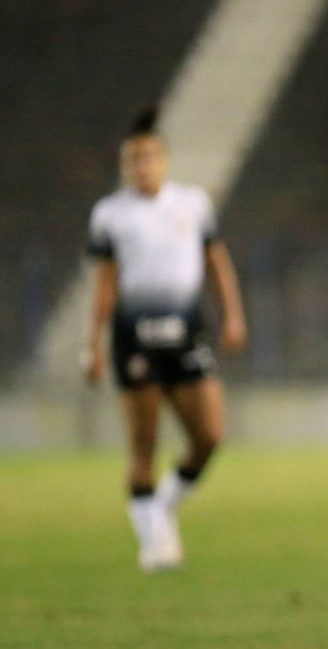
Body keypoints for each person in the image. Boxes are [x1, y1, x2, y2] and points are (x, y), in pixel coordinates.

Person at [84, 106, 247, 572]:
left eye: (150, 156)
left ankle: (161, 508)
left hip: (186, 329)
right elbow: (105, 285)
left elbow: (217, 263)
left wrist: (233, 315)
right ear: (124, 166)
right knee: (145, 442)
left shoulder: (192, 204)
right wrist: (92, 344)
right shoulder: (110, 214)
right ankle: (154, 542)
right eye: (133, 159)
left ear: (164, 160)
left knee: (209, 436)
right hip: (134, 336)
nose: (143, 166)